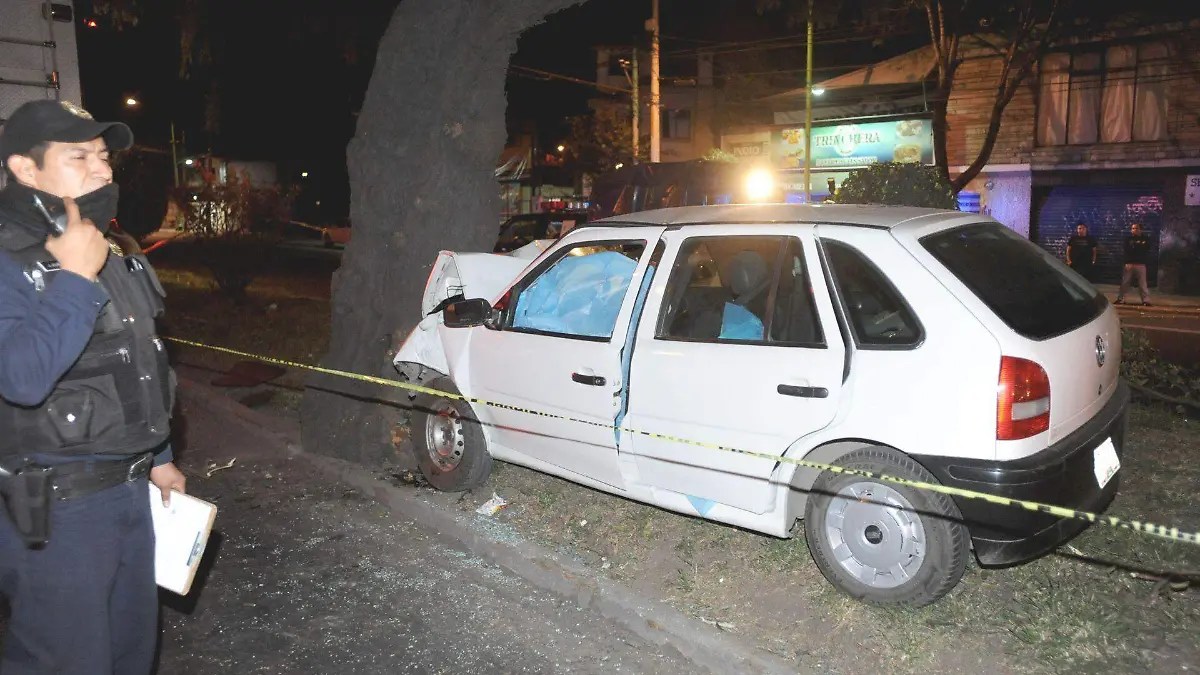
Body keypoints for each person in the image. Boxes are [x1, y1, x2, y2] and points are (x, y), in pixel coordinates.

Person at [0, 100, 185, 674]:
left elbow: (134, 364)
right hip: (56, 508)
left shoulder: (108, 246)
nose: (102, 169)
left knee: (132, 657)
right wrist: (75, 276)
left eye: (103, 156)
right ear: (25, 170)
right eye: (78, 155)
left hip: (129, 493)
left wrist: (159, 457)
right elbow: (20, 378)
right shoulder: (8, 258)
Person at [1115, 222, 1152, 305]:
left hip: (1141, 264)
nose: (1134, 230)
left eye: (1136, 228)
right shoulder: (1127, 239)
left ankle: (1145, 301)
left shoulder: (1145, 239)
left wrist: (1136, 247)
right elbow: (1127, 250)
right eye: (1133, 228)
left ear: (1140, 230)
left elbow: (1145, 250)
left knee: (1142, 284)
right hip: (1129, 264)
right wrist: (1137, 247)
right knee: (1125, 283)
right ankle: (1121, 299)